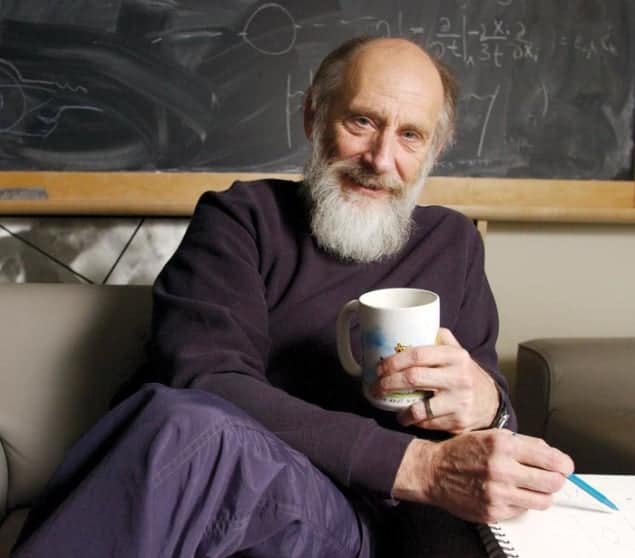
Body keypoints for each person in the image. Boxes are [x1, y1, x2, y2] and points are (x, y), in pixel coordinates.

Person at [12, 37, 573, 558]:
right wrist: (415, 466)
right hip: (240, 486)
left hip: (354, 524)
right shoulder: (241, 219)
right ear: (313, 115)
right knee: (183, 423)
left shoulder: (452, 243)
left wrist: (488, 404)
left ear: (435, 149)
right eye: (362, 121)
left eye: (410, 135)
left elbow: (485, 417)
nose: (380, 159)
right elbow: (205, 378)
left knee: (184, 429)